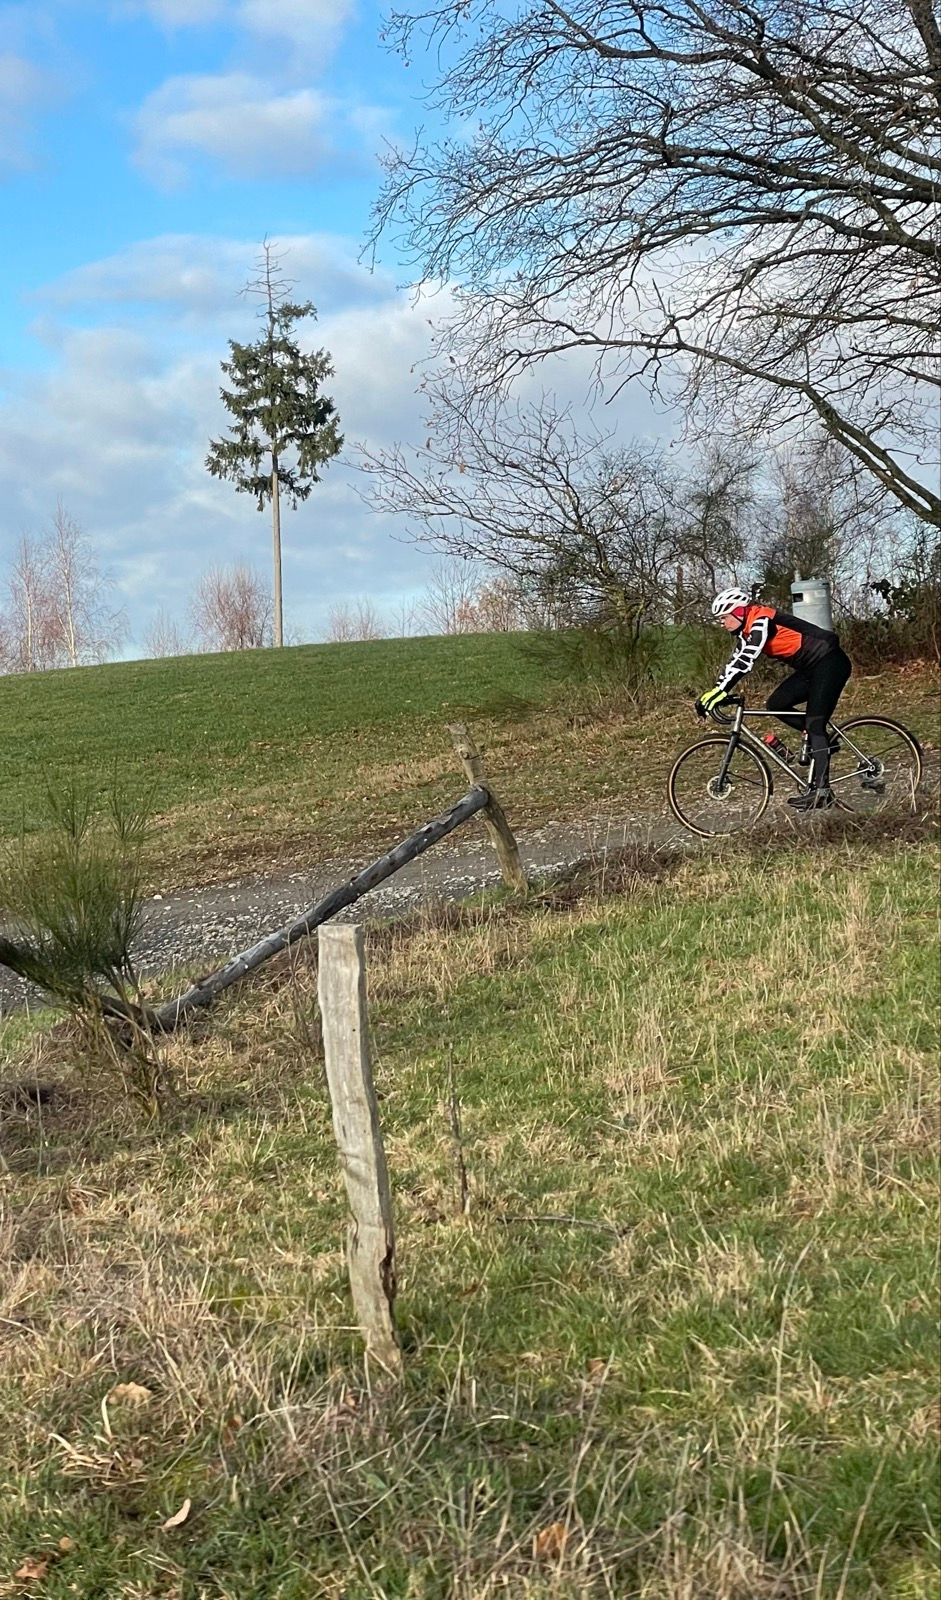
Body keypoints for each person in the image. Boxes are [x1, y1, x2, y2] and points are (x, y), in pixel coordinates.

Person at [695, 587, 852, 810]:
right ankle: (823, 743)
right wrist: (715, 691)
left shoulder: (761, 619)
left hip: (830, 662)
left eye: (723, 617)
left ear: (738, 612)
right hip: (811, 668)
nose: (721, 623)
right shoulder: (745, 632)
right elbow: (735, 662)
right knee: (776, 704)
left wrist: (721, 691)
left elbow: (748, 657)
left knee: (815, 724)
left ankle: (822, 792)